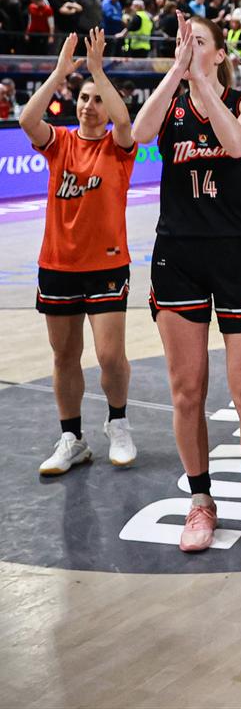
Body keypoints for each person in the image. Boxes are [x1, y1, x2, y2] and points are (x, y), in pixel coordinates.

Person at [130, 14, 241, 565]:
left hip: (240, 255)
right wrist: (176, 73)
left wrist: (198, 83)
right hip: (179, 255)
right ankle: (201, 499)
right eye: (181, 40)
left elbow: (239, 144)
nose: (187, 47)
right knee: (186, 391)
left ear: (220, 55)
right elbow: (137, 134)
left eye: (197, 42)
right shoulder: (170, 100)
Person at [20, 30, 137, 475]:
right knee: (64, 356)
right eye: (84, 99)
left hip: (107, 264)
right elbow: (29, 121)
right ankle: (72, 437)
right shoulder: (61, 143)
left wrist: (97, 71)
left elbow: (126, 122)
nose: (89, 105)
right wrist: (58, 73)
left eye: (96, 99)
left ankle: (118, 423)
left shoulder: (119, 148)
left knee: (109, 356)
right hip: (58, 265)